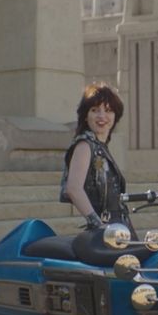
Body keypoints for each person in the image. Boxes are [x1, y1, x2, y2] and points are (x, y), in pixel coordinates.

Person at [60, 82, 132, 232]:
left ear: (115, 116)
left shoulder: (101, 146)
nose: (102, 116)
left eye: (108, 110)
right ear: (86, 116)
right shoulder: (85, 145)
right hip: (106, 231)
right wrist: (98, 224)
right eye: (95, 110)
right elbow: (73, 188)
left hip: (119, 225)